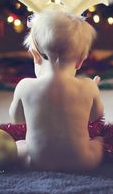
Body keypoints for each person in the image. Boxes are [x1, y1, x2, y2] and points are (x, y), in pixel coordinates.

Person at [9, 10, 104, 172]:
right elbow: (96, 116)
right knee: (99, 142)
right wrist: (94, 90)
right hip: (82, 162)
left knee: (18, 145)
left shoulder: (24, 86)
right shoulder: (88, 86)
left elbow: (17, 120)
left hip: (36, 162)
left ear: (35, 56)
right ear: (80, 61)